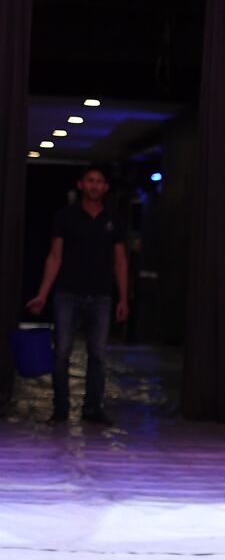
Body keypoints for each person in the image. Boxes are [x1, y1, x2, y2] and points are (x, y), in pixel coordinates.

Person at [25, 164, 129, 425]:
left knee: (98, 354)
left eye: (99, 181)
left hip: (101, 295)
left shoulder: (113, 220)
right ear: (81, 184)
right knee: (62, 352)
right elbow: (55, 257)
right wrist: (42, 294)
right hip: (67, 293)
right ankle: (60, 408)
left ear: (105, 187)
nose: (94, 185)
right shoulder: (65, 216)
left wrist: (124, 297)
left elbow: (120, 261)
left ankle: (92, 408)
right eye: (90, 180)